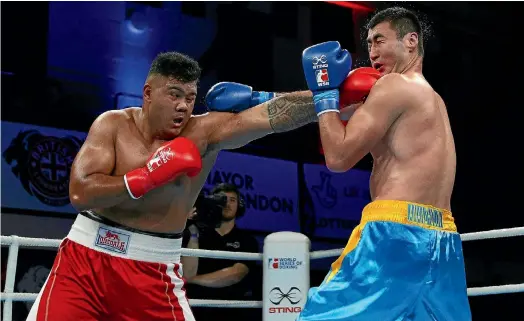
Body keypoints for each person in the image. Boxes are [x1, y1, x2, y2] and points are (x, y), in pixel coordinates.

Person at [26, 52, 322, 321]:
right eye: (174, 94)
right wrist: (147, 176)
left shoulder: (203, 131)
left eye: (191, 97)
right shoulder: (113, 125)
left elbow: (273, 115)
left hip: (152, 270)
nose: (183, 105)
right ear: (148, 93)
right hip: (84, 263)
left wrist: (332, 95)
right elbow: (80, 193)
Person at [297, 7, 471, 321]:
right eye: (369, 44)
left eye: (379, 40)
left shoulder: (391, 87)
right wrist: (262, 98)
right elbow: (342, 114)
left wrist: (324, 91)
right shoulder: (432, 99)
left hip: (394, 233)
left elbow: (338, 157)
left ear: (411, 41)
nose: (372, 52)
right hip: (443, 238)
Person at [182, 183, 259, 320]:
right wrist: (192, 229)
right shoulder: (195, 233)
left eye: (232, 200)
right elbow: (187, 272)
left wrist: (193, 280)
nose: (227, 203)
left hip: (233, 313)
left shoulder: (247, 241)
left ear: (239, 206)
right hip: (197, 310)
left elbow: (236, 274)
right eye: (222, 199)